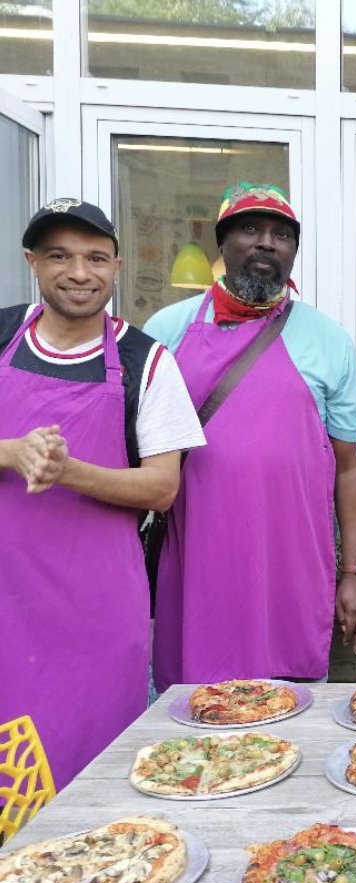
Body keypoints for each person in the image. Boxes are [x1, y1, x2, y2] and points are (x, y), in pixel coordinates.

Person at [0, 199, 204, 785]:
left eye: (95, 258)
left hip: (97, 608)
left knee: (95, 771)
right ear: (32, 263)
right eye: (59, 256)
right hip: (7, 602)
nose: (79, 273)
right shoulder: (2, 333)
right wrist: (13, 452)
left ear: (116, 266)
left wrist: (67, 470)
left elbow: (163, 487)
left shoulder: (147, 362)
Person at [145, 183, 356, 691]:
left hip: (295, 567)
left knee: (294, 715)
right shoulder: (167, 330)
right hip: (198, 562)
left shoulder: (328, 339)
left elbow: (350, 464)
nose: (266, 242)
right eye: (250, 229)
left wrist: (354, 572)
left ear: (293, 251)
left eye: (281, 234)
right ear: (221, 244)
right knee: (195, 722)